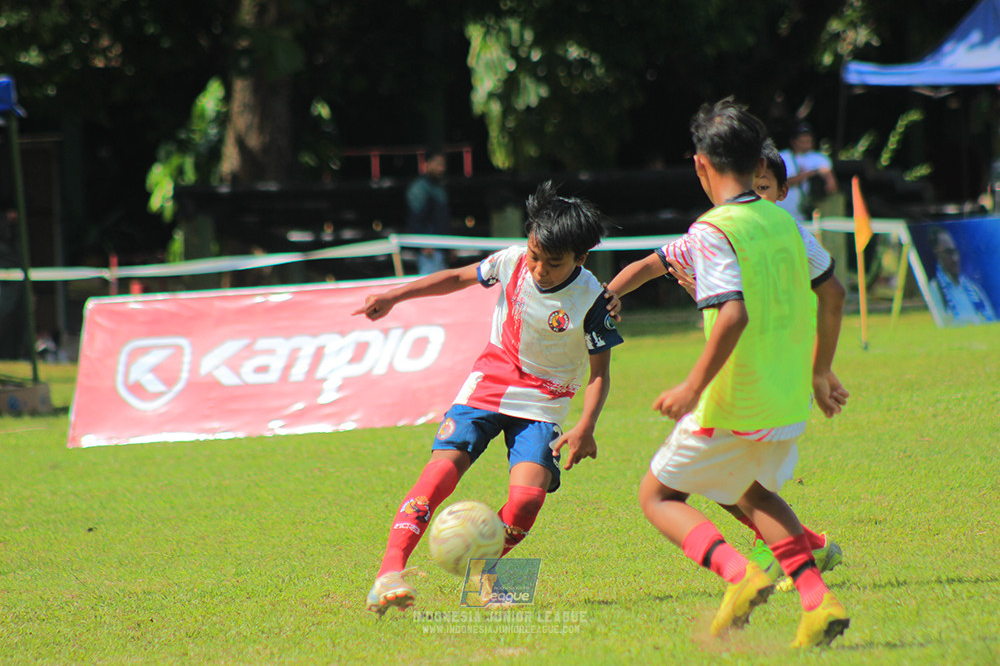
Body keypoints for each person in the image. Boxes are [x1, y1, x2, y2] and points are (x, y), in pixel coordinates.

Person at [609, 98, 849, 648]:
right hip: (787, 394)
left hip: (736, 397)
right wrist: (820, 371)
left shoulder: (713, 230)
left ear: (701, 164)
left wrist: (691, 385)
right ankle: (819, 602)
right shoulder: (784, 222)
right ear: (758, 160)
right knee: (753, 495)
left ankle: (739, 574)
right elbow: (834, 292)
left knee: (657, 496)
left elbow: (732, 314)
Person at [357, 181, 623, 616]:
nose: (538, 269)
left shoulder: (593, 299)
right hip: (488, 387)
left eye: (553, 263)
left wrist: (586, 426)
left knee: (528, 500)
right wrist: (394, 295)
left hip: (543, 403)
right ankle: (388, 574)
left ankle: (484, 576)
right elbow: (457, 277)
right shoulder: (512, 261)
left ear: (581, 258)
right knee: (437, 478)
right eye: (534, 255)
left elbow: (600, 373)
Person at [926, 225, 996, 326]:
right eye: (948, 253)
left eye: (955, 252)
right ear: (937, 255)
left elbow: (991, 321)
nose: (954, 259)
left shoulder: (973, 290)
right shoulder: (934, 290)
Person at [778, 122, 837, 221]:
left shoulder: (820, 158)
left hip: (808, 212)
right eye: (802, 139)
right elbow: (782, 184)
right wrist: (812, 173)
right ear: (793, 141)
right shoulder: (782, 157)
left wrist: (829, 179)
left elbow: (832, 187)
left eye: (808, 139)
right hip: (785, 211)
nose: (806, 142)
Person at [405, 150, 451, 274]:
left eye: (443, 165)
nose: (441, 168)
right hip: (428, 251)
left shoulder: (439, 187)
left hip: (441, 248)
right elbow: (415, 219)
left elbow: (442, 220)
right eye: (438, 164)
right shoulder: (419, 188)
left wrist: (449, 247)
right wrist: (423, 244)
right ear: (427, 164)